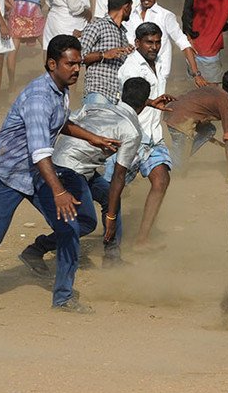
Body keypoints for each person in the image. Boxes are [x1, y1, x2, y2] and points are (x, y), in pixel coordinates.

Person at [0, 35, 120, 312]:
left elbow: (59, 123)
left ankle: (63, 296)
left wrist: (92, 138)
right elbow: (40, 152)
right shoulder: (38, 98)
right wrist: (59, 191)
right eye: (71, 64)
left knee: (71, 228)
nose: (77, 69)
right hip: (6, 174)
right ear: (52, 64)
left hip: (36, 172)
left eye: (79, 63)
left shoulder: (61, 91)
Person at [18, 78, 170, 274]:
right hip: (72, 170)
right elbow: (118, 177)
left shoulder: (95, 106)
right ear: (143, 104)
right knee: (86, 222)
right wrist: (111, 218)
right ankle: (36, 250)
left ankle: (112, 257)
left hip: (59, 159)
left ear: (122, 94)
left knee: (108, 197)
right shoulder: (132, 131)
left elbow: (65, 123)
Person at [111, 21, 175, 251]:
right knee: (112, 190)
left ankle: (142, 240)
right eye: (149, 42)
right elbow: (129, 100)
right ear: (137, 43)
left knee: (161, 179)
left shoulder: (157, 63)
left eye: (157, 42)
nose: (154, 47)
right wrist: (151, 103)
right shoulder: (131, 67)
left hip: (153, 135)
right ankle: (109, 238)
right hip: (132, 134)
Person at [124, 0, 207, 93]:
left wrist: (196, 73)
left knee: (156, 108)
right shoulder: (130, 15)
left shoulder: (165, 16)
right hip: (134, 70)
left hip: (159, 71)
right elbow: (126, 39)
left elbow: (182, 42)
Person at [165, 68, 228, 177]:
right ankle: (154, 156)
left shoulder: (214, 88)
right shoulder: (226, 103)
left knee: (209, 130)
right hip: (180, 122)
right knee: (179, 168)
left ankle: (182, 154)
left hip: (172, 113)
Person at [80, 0, 134, 105]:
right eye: (131, 6)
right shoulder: (97, 26)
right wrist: (103, 55)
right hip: (98, 93)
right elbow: (77, 57)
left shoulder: (123, 34)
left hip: (116, 97)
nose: (131, 10)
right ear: (126, 7)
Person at [5, 0, 47, 91]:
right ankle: (48, 79)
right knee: (46, 45)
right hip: (33, 8)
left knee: (13, 48)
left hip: (17, 7)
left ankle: (11, 84)